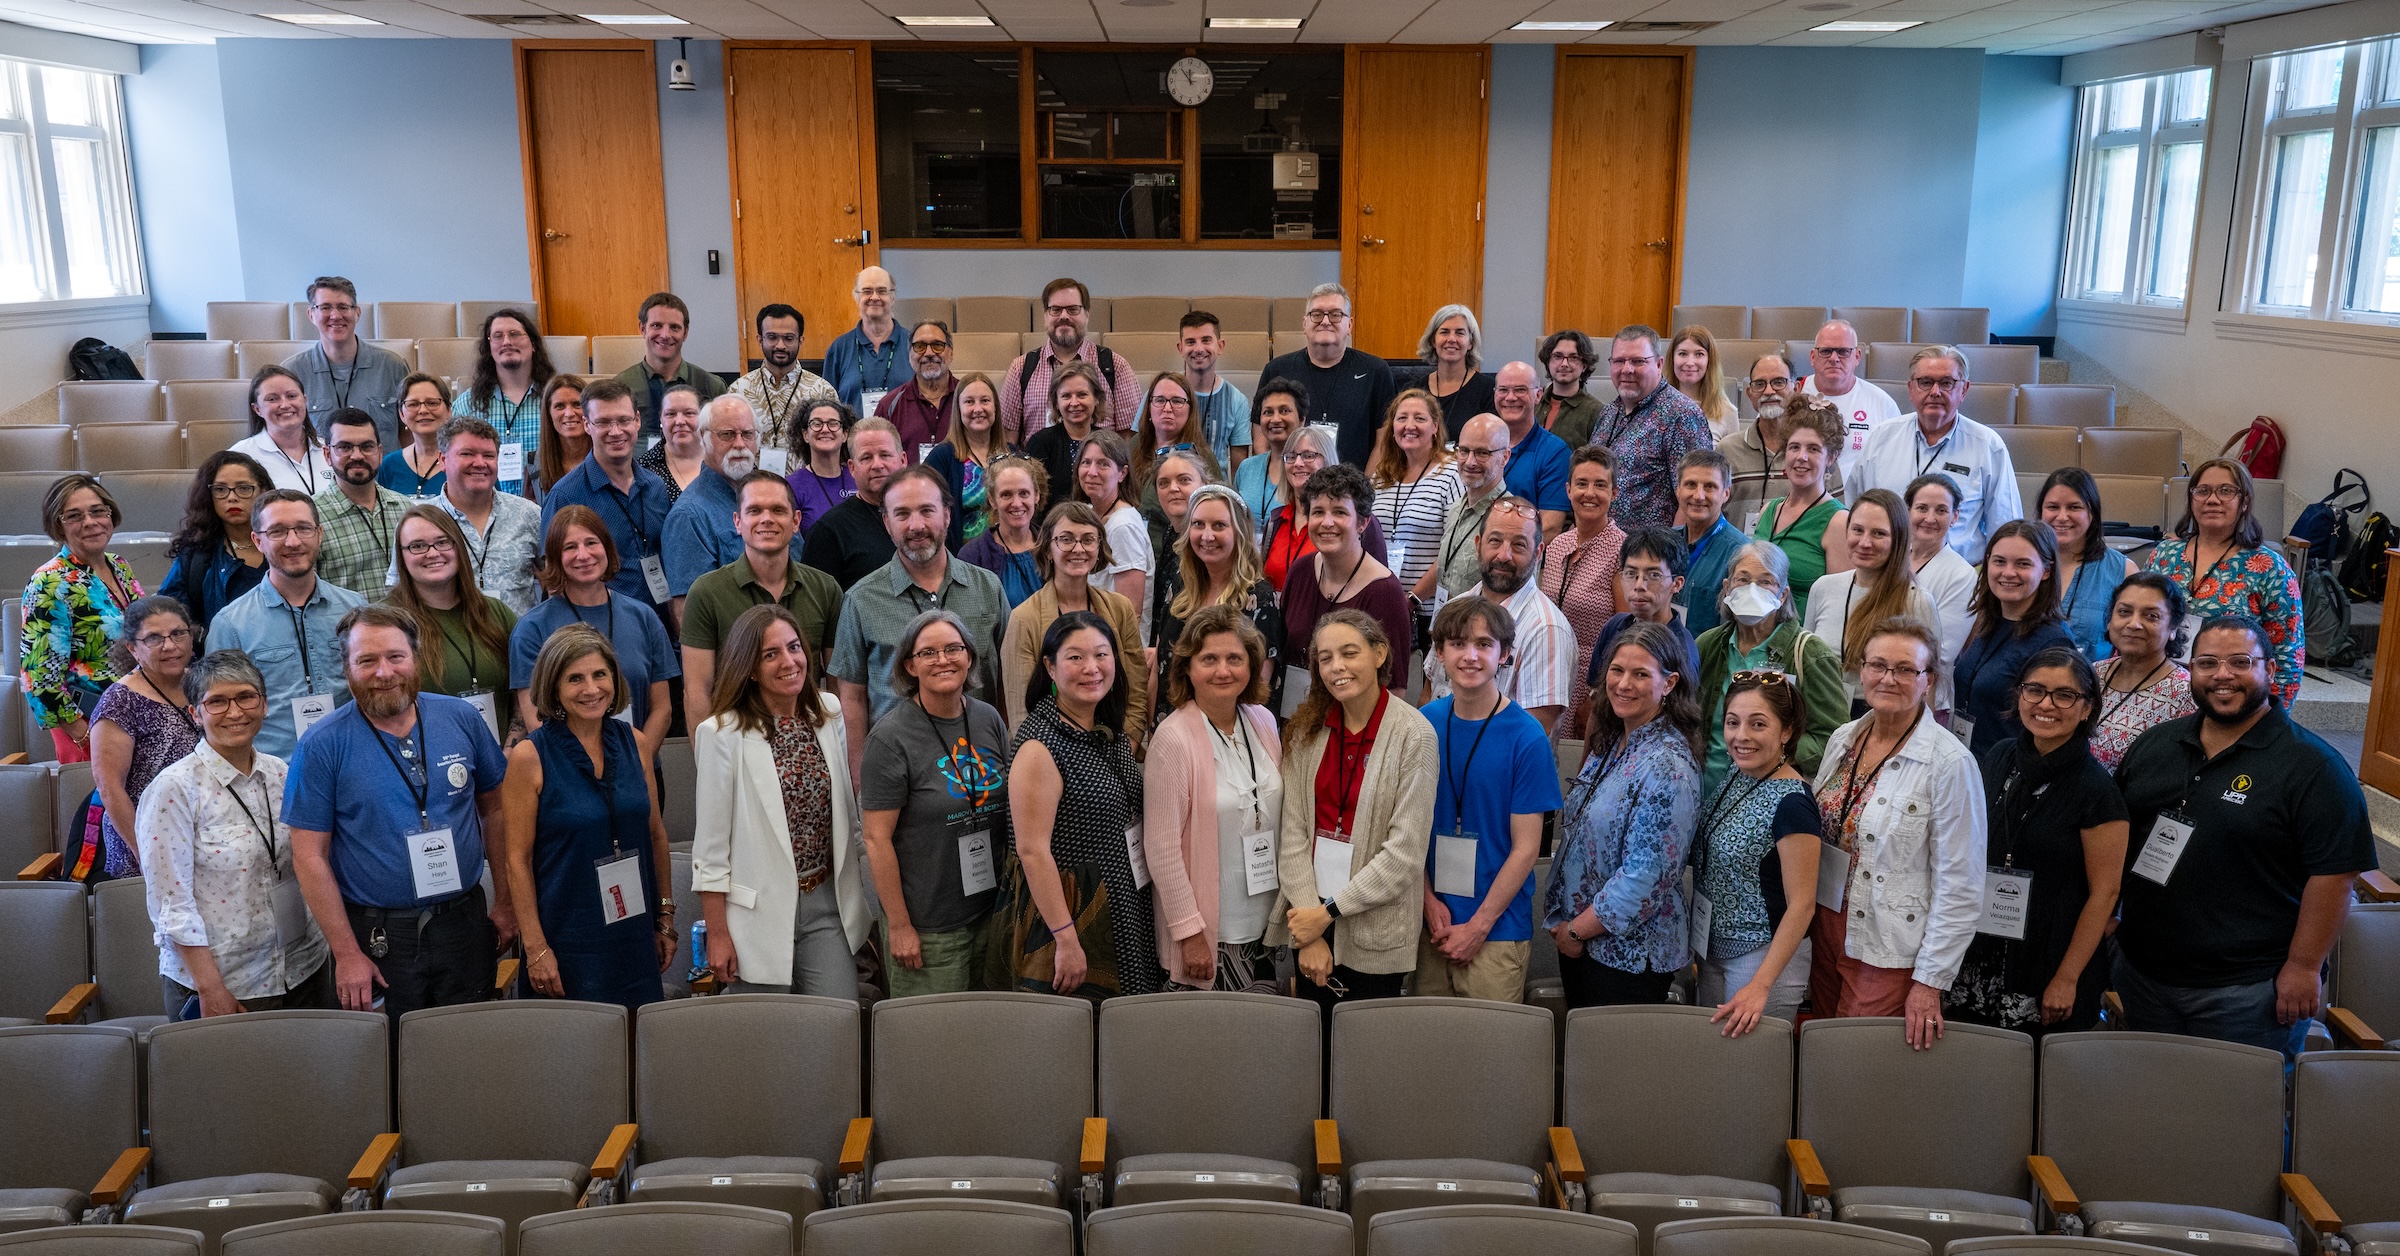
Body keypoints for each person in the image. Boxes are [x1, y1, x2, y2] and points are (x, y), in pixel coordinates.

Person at [2112, 615, 2375, 1057]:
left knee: (2241, 1118)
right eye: (2207, 662)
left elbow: (2333, 877)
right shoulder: (2156, 744)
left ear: (2270, 671)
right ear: (2190, 670)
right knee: (2153, 1107)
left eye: (2240, 662)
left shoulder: (2314, 767)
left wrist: (2304, 965)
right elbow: (2118, 839)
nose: (2222, 675)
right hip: (2144, 973)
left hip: (2247, 990)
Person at [287, 605, 514, 1018]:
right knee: (390, 1062)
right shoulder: (321, 745)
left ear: (416, 656)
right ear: (346, 667)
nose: (384, 673)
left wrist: (506, 902)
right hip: (378, 937)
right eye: (366, 661)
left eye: (395, 657)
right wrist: (347, 953)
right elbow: (308, 855)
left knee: (469, 1049)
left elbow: (495, 811)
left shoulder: (461, 718)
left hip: (464, 922)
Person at [1810, 617, 1985, 1047]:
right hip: (1827, 927)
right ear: (1861, 670)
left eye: (1906, 669)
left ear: (1929, 681)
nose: (1888, 678)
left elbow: (1960, 886)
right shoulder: (1844, 737)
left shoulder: (1950, 764)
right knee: (1818, 1050)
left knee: (1851, 1062)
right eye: (1878, 665)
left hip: (1886, 944)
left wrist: (1930, 982)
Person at [138, 649, 333, 1017]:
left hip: (304, 968)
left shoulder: (281, 773)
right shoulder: (174, 790)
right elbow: (170, 903)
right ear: (195, 713)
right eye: (217, 702)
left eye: (246, 697)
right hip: (226, 984)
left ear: (265, 704)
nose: (235, 712)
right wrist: (211, 989)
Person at [1944, 646, 2126, 1036]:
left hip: (2049, 956)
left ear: (2087, 708)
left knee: (2034, 1079)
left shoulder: (2098, 791)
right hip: (1980, 947)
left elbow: (2105, 894)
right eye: (2035, 690)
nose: (2046, 704)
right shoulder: (1999, 756)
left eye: (2064, 695)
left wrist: (2067, 977)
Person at [693, 605, 869, 997]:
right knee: (767, 1047)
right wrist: (717, 935)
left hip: (826, 903)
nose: (789, 662)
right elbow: (710, 848)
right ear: (749, 668)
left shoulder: (828, 712)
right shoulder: (720, 734)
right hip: (756, 916)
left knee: (836, 1030)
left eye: (794, 647)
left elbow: (844, 816)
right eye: (770, 654)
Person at [1268, 610, 1438, 1009]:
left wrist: (1326, 914)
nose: (1336, 667)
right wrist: (1310, 930)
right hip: (1309, 917)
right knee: (1312, 1049)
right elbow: (1292, 834)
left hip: (1374, 931)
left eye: (1349, 653)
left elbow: (1405, 854)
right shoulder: (1305, 731)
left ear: (1379, 654)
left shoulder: (1414, 735)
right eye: (1325, 659)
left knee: (1364, 1059)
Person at [499, 625, 673, 1008]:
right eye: (575, 678)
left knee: (637, 1049)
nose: (591, 689)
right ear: (553, 686)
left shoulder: (636, 742)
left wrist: (665, 917)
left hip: (634, 933)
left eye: (600, 674)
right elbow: (517, 861)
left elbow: (656, 836)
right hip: (566, 941)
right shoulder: (530, 757)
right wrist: (536, 947)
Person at [1000, 610, 1161, 999]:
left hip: (1122, 898)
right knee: (1076, 1039)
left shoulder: (1106, 729)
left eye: (1102, 655)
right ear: (1050, 668)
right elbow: (1032, 851)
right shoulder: (1041, 746)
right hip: (1071, 912)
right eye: (1075, 657)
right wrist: (1066, 939)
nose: (1092, 668)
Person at [1547, 621, 1704, 1007]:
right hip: (1584, 944)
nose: (1623, 684)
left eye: (1640, 674)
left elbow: (1645, 877)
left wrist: (1577, 932)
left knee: (1614, 1067)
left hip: (1627, 958)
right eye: (1617, 671)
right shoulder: (1615, 740)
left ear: (1668, 684)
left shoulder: (1668, 765)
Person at [1417, 597, 1562, 1001]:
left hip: (1495, 930)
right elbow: (1405, 828)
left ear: (1505, 655)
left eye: (1484, 644)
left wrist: (1478, 927)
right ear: (1440, 653)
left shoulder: (1527, 737)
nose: (1470, 656)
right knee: (1423, 1049)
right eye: (1458, 644)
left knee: (1487, 1056)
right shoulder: (1423, 725)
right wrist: (1427, 901)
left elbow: (1527, 848)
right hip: (1431, 923)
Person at [861, 609, 1010, 995]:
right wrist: (899, 925)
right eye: (928, 653)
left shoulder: (988, 719)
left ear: (970, 657)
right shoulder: (889, 739)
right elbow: (877, 840)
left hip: (991, 914)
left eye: (953, 648)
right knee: (933, 1046)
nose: (943, 659)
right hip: (929, 927)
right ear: (909, 665)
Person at [829, 466, 1009, 778]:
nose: (916, 525)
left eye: (927, 510)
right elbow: (852, 697)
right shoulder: (860, 599)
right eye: (902, 514)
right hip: (898, 772)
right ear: (886, 522)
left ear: (947, 515)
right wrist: (860, 780)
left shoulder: (988, 587)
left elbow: (1008, 681)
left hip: (982, 768)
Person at [1143, 606, 1282, 991]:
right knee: (1218, 1047)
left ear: (1252, 666)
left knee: (1263, 1041)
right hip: (1210, 936)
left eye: (1235, 658)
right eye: (1209, 659)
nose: (1223, 670)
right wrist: (1189, 934)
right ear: (1187, 667)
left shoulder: (1263, 721)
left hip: (1266, 926)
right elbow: (1161, 850)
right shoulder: (1173, 739)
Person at [1697, 673, 1823, 1035]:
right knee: (1714, 1066)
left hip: (1761, 960)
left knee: (1747, 1077)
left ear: (1787, 731)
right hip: (1714, 949)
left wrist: (1760, 985)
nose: (1741, 736)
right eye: (1733, 723)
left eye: (1758, 724)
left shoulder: (1792, 803)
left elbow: (1803, 905)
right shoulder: (1739, 775)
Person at [204, 490, 369, 762]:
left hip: (353, 762)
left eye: (303, 528)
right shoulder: (230, 624)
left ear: (319, 533)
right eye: (277, 531)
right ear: (257, 540)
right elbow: (220, 717)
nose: (293, 542)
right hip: (275, 774)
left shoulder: (355, 609)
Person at [679, 472, 843, 727]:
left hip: (807, 738)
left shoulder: (825, 588)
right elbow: (697, 690)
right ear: (737, 521)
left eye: (778, 510)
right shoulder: (706, 592)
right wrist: (708, 760)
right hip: (736, 738)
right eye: (755, 510)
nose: (766, 519)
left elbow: (837, 682)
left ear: (796, 520)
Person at [512, 505, 679, 752]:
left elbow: (662, 710)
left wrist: (635, 763)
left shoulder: (644, 617)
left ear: (607, 548)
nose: (583, 555)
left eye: (591, 543)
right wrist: (588, 771)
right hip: (570, 777)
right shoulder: (532, 629)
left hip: (639, 769)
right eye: (570, 547)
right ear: (555, 557)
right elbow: (537, 720)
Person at [1694, 541, 1846, 797]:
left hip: (1768, 797)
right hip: (1704, 793)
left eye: (1765, 582)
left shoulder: (1809, 654)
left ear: (1783, 594)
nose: (1753, 590)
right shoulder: (1708, 645)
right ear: (1727, 587)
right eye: (1742, 580)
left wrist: (1774, 749)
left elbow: (1834, 738)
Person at [2152, 459, 2306, 707]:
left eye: (2226, 491)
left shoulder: (2270, 568)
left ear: (2244, 501)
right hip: (2163, 690)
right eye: (2202, 491)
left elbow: (2288, 655)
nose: (2212, 500)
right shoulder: (2164, 554)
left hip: (2230, 694)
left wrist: (2272, 722)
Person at [1421, 498, 1577, 734]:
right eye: (1495, 541)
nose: (1504, 555)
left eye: (1518, 545)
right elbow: (1429, 694)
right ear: (1477, 545)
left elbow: (1532, 735)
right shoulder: (1451, 610)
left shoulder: (1546, 629)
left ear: (1537, 553)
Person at [1853, 347, 2020, 561]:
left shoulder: (1988, 446)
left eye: (1946, 383)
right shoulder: (1881, 438)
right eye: (1925, 382)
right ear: (1911, 389)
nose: (1935, 392)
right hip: (1886, 570)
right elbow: (1856, 509)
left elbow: (2005, 528)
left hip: (1959, 576)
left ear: (1964, 390)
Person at [1001, 502, 1150, 735]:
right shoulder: (1023, 618)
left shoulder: (1120, 609)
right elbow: (1020, 707)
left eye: (1088, 539)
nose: (1078, 548)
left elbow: (1136, 687)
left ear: (1099, 547)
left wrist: (1129, 741)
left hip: (1114, 743)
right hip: (1048, 751)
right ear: (1049, 549)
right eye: (1066, 539)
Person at [22, 474, 142, 762]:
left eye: (98, 511)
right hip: (88, 727)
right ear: (58, 525)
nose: (90, 522)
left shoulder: (118, 566)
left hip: (131, 717)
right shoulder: (50, 581)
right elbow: (40, 678)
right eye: (74, 516)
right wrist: (84, 735)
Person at [385, 505, 518, 741]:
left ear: (458, 547)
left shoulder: (495, 612)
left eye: (443, 542)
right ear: (401, 556)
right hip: (423, 768)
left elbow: (526, 689)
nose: (433, 553)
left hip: (501, 764)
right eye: (417, 546)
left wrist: (511, 749)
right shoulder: (386, 622)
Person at [542, 379, 675, 615]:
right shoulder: (564, 496)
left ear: (637, 421)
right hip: (601, 631)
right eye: (603, 422)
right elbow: (555, 582)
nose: (615, 432)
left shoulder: (655, 486)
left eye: (623, 420)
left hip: (660, 622)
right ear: (586, 425)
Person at [89, 596, 200, 880]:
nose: (170, 645)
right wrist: (145, 854)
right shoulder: (120, 701)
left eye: (178, 633)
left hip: (201, 834)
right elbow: (110, 788)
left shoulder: (203, 685)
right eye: (153, 638)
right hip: (145, 844)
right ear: (132, 649)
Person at [1283, 465, 1413, 700]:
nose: (1327, 522)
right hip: (1294, 718)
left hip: (1354, 729)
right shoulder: (1300, 571)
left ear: (1362, 523)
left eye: (1340, 512)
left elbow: (1394, 690)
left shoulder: (1385, 593)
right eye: (1318, 512)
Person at [1153, 485, 1281, 718]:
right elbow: (1159, 670)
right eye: (1198, 524)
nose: (1207, 536)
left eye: (1219, 525)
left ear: (1238, 531)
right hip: (1171, 726)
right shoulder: (1179, 587)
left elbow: (1257, 691)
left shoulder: (1259, 597)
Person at [1951, 520, 2075, 758]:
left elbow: (2054, 729)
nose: (2008, 572)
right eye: (1999, 561)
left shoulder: (2053, 642)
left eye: (2023, 564)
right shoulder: (1988, 622)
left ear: (2046, 571)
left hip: (2010, 773)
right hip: (1969, 763)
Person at [1805, 489, 1939, 708]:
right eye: (1857, 530)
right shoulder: (1823, 587)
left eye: (1878, 534)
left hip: (1883, 716)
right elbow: (1805, 662)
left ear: (1898, 539)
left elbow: (1927, 685)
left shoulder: (1917, 601)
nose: (1865, 543)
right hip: (1819, 711)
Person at [1255, 282, 1396, 468]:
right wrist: (1281, 486)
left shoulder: (1375, 371)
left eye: (1336, 315)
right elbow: (1261, 439)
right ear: (1305, 323)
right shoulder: (1277, 370)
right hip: (1290, 487)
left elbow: (1384, 443)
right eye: (1317, 314)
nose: (1325, 321)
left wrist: (1362, 491)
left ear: (1349, 324)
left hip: (1354, 488)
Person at [1592, 325, 1714, 531]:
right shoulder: (1609, 412)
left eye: (1638, 361)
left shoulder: (1681, 415)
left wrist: (1670, 554)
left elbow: (1693, 498)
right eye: (1619, 361)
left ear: (1658, 364)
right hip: (1603, 547)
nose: (1627, 369)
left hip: (1650, 555)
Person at [429, 417, 546, 616]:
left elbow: (553, 581)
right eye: (467, 454)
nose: (480, 463)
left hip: (516, 643)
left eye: (489, 455)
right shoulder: (423, 521)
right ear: (442, 460)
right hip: (447, 643)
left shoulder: (529, 515)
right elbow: (401, 589)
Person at [1540, 446, 1625, 721]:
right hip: (1547, 673)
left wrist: (1597, 694)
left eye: (1600, 485)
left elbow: (1625, 632)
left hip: (1592, 682)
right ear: (1568, 490)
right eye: (1581, 484)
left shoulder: (1622, 551)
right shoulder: (1555, 546)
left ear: (1614, 494)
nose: (1589, 493)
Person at [1750, 396, 1852, 620]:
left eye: (1814, 449)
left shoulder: (1838, 521)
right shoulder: (1769, 510)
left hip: (1803, 643)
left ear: (1831, 457)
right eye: (1794, 447)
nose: (1801, 457)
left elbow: (1838, 608)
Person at [1001, 277, 1139, 442]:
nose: (1064, 316)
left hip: (1098, 466)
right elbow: (1009, 438)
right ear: (1045, 315)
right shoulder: (1020, 369)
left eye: (1073, 309)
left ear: (1087, 314)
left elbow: (1128, 439)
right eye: (1056, 309)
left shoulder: (1116, 367)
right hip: (1036, 466)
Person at [1261, 425, 1392, 593]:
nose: (1298, 463)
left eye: (1309, 456)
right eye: (1291, 457)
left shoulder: (1358, 520)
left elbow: (1379, 585)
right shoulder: (1276, 520)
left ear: (1327, 460)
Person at [662, 394, 762, 610]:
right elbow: (686, 614)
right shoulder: (689, 516)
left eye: (747, 434)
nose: (739, 444)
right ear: (703, 437)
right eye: (727, 435)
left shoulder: (770, 497)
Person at [285, 277, 409, 449]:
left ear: (357, 313)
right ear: (311, 315)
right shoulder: (292, 373)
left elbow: (408, 432)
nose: (335, 316)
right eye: (325, 307)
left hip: (383, 474)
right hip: (320, 475)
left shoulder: (392, 366)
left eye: (343, 307)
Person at [1725, 353, 1845, 528]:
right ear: (1749, 394)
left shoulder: (1816, 454)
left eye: (1778, 382)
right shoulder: (1727, 450)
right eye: (1759, 384)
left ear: (1796, 388)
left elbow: (1838, 517)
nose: (1768, 391)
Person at [2090, 572, 2195, 771]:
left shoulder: (2186, 693)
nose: (2134, 624)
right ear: (2109, 620)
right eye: (2124, 612)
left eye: (2151, 616)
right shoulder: (2092, 674)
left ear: (2173, 628)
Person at [1583, 527, 1702, 696]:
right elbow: (1596, 698)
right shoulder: (1614, 626)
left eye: (1653, 575)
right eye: (1631, 573)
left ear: (1677, 584)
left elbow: (1680, 717)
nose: (1639, 585)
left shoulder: (1682, 650)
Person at [1370, 389, 1465, 596]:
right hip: (1384, 601)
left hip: (1428, 609)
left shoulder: (1452, 473)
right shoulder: (1380, 475)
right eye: (1402, 418)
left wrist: (1413, 599)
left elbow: (1453, 549)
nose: (1409, 426)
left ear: (1435, 427)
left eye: (1419, 418)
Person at [162, 452, 273, 631]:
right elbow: (169, 612)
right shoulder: (195, 555)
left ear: (263, 491)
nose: (232, 497)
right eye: (220, 489)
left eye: (244, 488)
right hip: (221, 653)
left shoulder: (287, 541)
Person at [450, 309, 554, 498]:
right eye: (497, 336)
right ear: (489, 349)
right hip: (486, 511)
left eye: (514, 334)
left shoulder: (555, 400)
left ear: (533, 344)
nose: (506, 342)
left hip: (547, 509)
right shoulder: (467, 405)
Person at [1417, 412, 1513, 607]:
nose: (1470, 462)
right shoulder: (1455, 509)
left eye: (1482, 453)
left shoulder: (1512, 520)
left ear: (1505, 457)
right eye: (1464, 451)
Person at [2040, 467, 2137, 661]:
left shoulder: (2123, 570)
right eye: (2053, 507)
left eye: (2074, 507)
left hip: (2095, 684)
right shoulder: (2021, 564)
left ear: (2092, 513)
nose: (2061, 517)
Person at [315, 408, 411, 598]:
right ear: (327, 454)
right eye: (345, 447)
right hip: (346, 627)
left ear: (380, 451)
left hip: (407, 625)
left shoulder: (405, 508)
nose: (357, 455)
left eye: (367, 446)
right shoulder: (311, 517)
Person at [1905, 474, 1979, 705]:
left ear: (1955, 516)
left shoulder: (1962, 575)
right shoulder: (1890, 559)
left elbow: (1942, 652)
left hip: (1928, 696)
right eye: (1921, 508)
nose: (1929, 518)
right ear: (1908, 510)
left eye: (1941, 510)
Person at [1800, 319, 1901, 487]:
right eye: (1826, 351)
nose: (1834, 358)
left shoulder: (1882, 404)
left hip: (1860, 506)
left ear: (1857, 356)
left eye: (1843, 351)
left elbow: (1895, 466)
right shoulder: (1794, 395)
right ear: (1812, 357)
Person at [1075, 431, 1154, 642]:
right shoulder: (1088, 512)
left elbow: (1130, 612)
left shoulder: (1123, 526)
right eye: (1086, 462)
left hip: (1116, 647)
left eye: (1103, 464)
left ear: (1122, 473)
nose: (1091, 472)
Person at [613, 292, 725, 439]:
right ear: (642, 329)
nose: (665, 335)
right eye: (657, 325)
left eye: (674, 327)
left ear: (685, 333)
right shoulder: (620, 387)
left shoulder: (712, 386)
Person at [732, 303, 838, 457]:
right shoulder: (739, 391)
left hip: (806, 479)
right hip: (752, 480)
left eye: (788, 338)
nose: (780, 345)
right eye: (772, 337)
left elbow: (835, 446)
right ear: (760, 340)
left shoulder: (822, 391)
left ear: (800, 341)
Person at [925, 373, 1009, 552]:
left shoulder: (1012, 455)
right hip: (961, 561)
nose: (978, 408)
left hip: (1006, 557)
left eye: (985, 400)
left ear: (995, 408)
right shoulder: (942, 457)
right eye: (969, 402)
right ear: (958, 410)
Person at [1141, 449, 1214, 639]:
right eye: (1163, 483)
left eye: (1184, 480)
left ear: (1205, 485)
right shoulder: (1171, 533)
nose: (1173, 488)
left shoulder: (1210, 543)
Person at [1494, 362, 1572, 536]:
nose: (1510, 397)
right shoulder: (1482, 444)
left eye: (1520, 390)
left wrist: (1504, 551)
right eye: (1503, 390)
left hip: (1520, 557)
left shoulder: (1555, 452)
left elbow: (1550, 528)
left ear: (1538, 395)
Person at [1023, 360, 1111, 514]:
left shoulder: (1110, 443)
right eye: (1066, 396)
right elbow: (1033, 501)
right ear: (1056, 403)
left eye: (1082, 394)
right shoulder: (1041, 443)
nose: (1074, 403)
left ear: (1096, 398)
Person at [960, 456, 1047, 609]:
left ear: (1036, 496)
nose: (1017, 503)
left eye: (1024, 493)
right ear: (992, 500)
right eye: (1006, 494)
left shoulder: (1053, 547)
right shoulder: (973, 556)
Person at [1131, 372, 1223, 516]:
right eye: (1160, 400)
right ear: (1149, 408)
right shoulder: (1135, 444)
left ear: (1190, 409)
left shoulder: (1201, 455)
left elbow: (1217, 511)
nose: (1167, 408)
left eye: (1177, 401)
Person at [234, 365, 335, 495]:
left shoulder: (330, 449)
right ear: (257, 409)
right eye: (272, 399)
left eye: (292, 396)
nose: (285, 405)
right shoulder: (241, 457)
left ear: (305, 400)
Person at [1675, 449, 1743, 639]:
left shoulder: (1741, 555)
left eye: (1710, 486)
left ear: (1726, 493)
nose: (1699, 495)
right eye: (1690, 484)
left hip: (1709, 663)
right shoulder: (1664, 544)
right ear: (1678, 490)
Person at [822, 267, 907, 419]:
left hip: (902, 441)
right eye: (867, 291)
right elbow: (826, 407)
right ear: (856, 297)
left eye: (882, 291)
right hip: (852, 440)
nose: (874, 297)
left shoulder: (913, 344)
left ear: (893, 297)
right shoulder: (839, 348)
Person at [876, 320, 960, 461]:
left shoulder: (969, 399)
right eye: (920, 346)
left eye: (937, 345)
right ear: (909, 355)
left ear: (951, 353)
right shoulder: (889, 405)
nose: (929, 353)